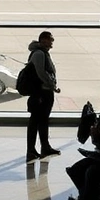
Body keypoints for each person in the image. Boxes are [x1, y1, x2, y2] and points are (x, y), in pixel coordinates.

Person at [26, 30, 61, 162]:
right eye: (50, 40)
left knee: (41, 121)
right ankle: (32, 150)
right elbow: (41, 73)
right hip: (41, 92)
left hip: (43, 91)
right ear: (43, 40)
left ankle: (43, 147)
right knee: (36, 121)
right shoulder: (40, 54)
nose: (52, 43)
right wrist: (51, 85)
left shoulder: (42, 53)